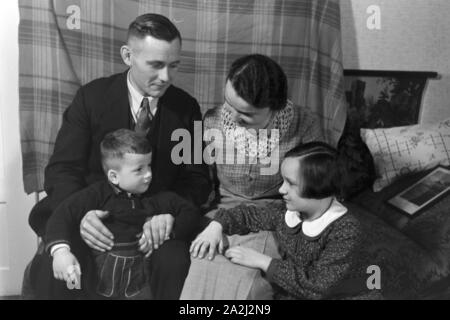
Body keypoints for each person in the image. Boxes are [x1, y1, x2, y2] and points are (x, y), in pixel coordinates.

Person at [26, 13, 210, 300]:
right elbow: (63, 169)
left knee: (175, 261)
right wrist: (82, 215)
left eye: (174, 65)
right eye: (156, 65)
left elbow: (196, 178)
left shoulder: (187, 108)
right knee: (51, 267)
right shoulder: (91, 97)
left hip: (154, 223)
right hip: (95, 214)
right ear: (128, 56)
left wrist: (166, 215)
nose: (166, 77)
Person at [180, 54, 324, 299]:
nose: (233, 117)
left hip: (276, 218)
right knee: (203, 262)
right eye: (229, 104)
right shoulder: (212, 120)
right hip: (220, 214)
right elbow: (200, 180)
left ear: (274, 108)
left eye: (246, 114)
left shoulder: (305, 125)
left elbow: (312, 194)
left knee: (245, 277)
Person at [190, 142, 380, 300]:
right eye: (283, 181)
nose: (281, 190)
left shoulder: (345, 230)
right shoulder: (288, 214)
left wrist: (263, 261)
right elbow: (250, 215)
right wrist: (217, 225)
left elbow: (317, 287)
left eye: (291, 183)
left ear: (319, 187)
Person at [46, 129, 201, 299]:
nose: (148, 174)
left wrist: (169, 229)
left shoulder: (157, 196)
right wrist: (61, 252)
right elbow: (62, 215)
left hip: (140, 284)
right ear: (114, 176)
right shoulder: (96, 194)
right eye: (139, 169)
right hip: (98, 281)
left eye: (149, 165)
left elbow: (190, 213)